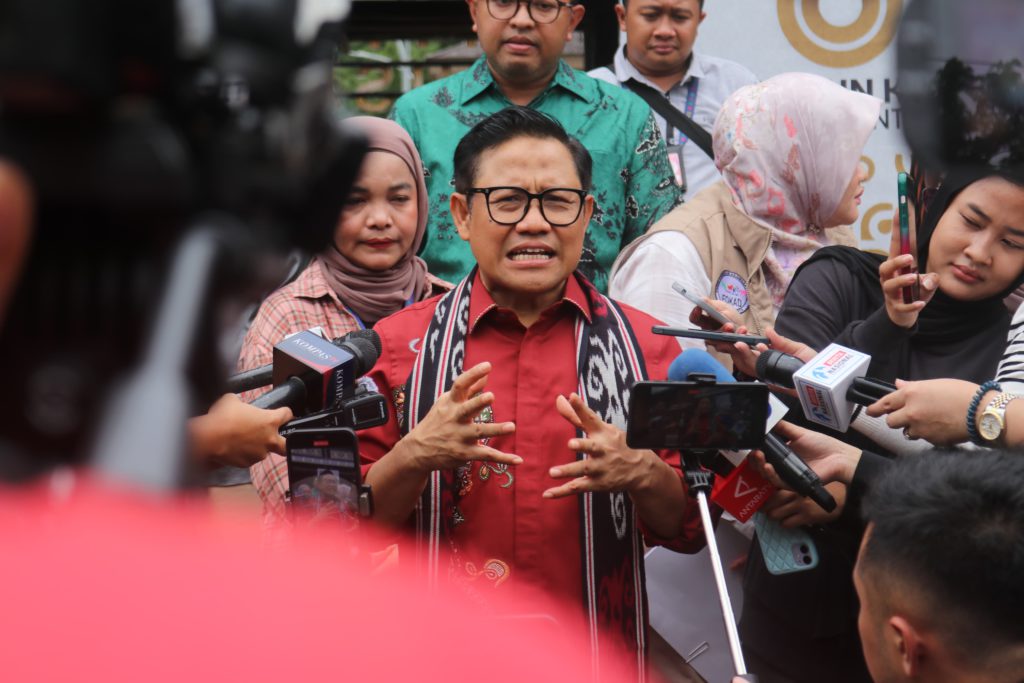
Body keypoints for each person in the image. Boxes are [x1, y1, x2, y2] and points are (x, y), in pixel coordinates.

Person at [357, 107, 704, 677]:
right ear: (462, 214)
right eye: (508, 201)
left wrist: (642, 472)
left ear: (586, 215)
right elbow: (343, 528)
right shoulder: (396, 350)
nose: (535, 223)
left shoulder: (649, 349)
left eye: (557, 201)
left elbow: (688, 528)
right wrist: (414, 455)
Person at [738, 169, 1024, 683]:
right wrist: (888, 325)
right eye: (971, 220)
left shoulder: (1011, 349)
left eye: (1012, 243)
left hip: (933, 636)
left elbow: (985, 502)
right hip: (797, 610)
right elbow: (783, 420)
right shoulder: (840, 275)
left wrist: (852, 489)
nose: (980, 252)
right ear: (933, 209)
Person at [389, 0, 681, 293]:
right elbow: (385, 244)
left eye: (543, 5)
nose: (522, 20)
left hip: (589, 319)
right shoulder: (418, 116)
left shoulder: (624, 116)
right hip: (448, 318)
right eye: (504, 3)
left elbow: (658, 250)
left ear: (572, 20)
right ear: (475, 11)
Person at [243, 117, 448, 521]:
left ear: (422, 202)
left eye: (399, 199)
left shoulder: (450, 306)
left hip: (440, 553)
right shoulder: (287, 317)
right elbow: (285, 484)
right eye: (354, 201)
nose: (380, 219)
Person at [609, 73, 879, 364]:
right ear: (793, 160)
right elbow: (664, 381)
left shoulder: (829, 234)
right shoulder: (671, 255)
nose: (862, 173)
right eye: (844, 156)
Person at [588, 0, 757, 199]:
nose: (665, 31)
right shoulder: (589, 92)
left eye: (680, 17)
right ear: (622, 17)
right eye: (650, 15)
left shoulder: (736, 85)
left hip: (716, 219)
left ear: (699, 20)